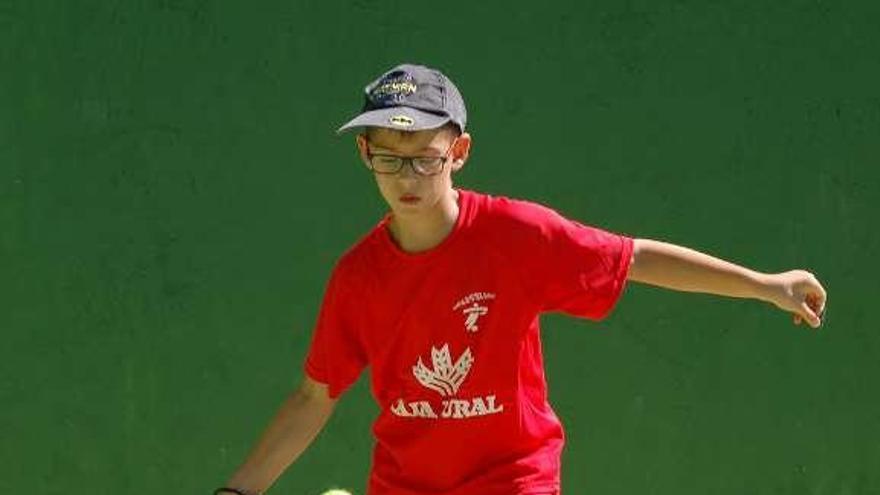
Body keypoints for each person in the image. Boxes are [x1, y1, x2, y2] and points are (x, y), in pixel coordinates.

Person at [215, 63, 827, 495]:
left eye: (425, 157)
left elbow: (633, 258)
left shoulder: (516, 236)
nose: (407, 175)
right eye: (388, 156)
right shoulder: (357, 277)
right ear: (364, 155)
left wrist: (765, 284)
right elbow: (315, 395)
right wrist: (239, 491)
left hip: (514, 481)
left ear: (458, 153)